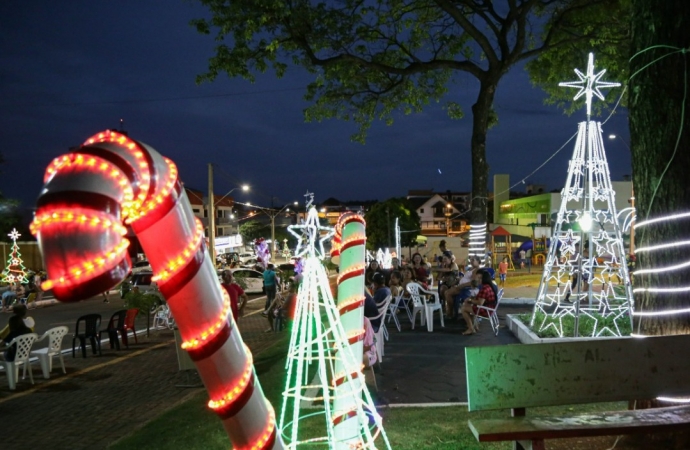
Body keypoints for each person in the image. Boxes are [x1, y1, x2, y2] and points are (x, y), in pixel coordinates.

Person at [460, 269, 498, 335]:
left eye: (480, 278)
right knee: (467, 305)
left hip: (486, 310)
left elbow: (480, 303)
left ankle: (471, 329)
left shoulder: (484, 288)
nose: (478, 280)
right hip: (490, 308)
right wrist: (471, 300)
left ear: (484, 279)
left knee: (463, 308)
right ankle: (474, 325)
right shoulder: (488, 286)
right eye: (477, 278)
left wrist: (470, 300)